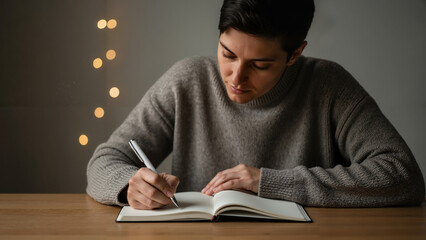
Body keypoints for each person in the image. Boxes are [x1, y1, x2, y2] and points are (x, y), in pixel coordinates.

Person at [86, 0, 425, 209]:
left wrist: (271, 183)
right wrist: (130, 186)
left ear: (295, 54)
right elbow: (104, 161)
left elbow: (403, 175)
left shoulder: (328, 85)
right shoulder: (187, 79)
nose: (236, 77)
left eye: (260, 65)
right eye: (227, 54)